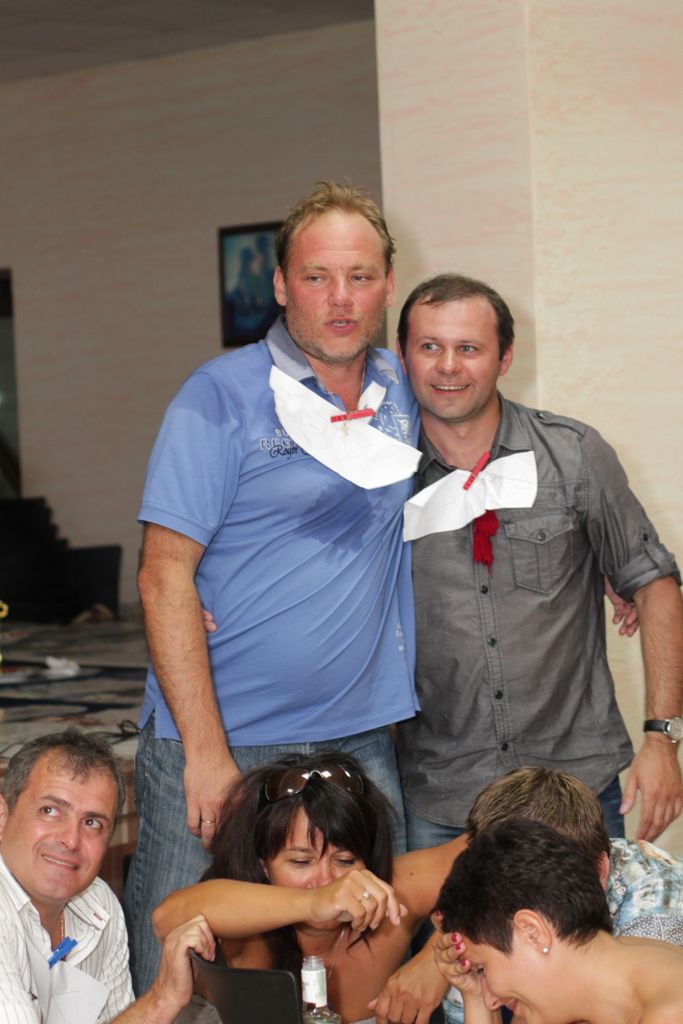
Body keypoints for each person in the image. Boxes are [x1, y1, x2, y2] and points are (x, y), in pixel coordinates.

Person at [125, 181, 422, 993]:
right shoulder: (219, 395)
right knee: (179, 970)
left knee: (367, 966)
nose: (340, 299)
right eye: (317, 277)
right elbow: (162, 572)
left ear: (388, 285)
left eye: (360, 277)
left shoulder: (405, 390)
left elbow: (486, 456)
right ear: (282, 285)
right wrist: (205, 753)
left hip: (359, 737)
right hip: (224, 738)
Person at [394, 272, 683, 848]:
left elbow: (654, 584)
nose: (448, 366)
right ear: (402, 355)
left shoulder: (573, 455)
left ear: (504, 357)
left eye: (469, 348)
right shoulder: (378, 478)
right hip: (441, 795)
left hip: (573, 785)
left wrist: (662, 739)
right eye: (430, 346)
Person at [152, 752, 467, 1024]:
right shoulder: (241, 918)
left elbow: (496, 843)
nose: (328, 881)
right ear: (263, 864)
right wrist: (314, 903)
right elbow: (166, 918)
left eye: (345, 860)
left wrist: (439, 959)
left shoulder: (394, 893)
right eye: (301, 862)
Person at [0, 728, 215, 1023]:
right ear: (2, 816)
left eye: (92, 822)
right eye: (50, 810)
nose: (71, 840)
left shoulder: (99, 904)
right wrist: (160, 1001)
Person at [439, 765, 683, 1024]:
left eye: (483, 969)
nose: (491, 1000)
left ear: (532, 931)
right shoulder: (627, 965)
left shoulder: (670, 1010)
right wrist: (475, 997)